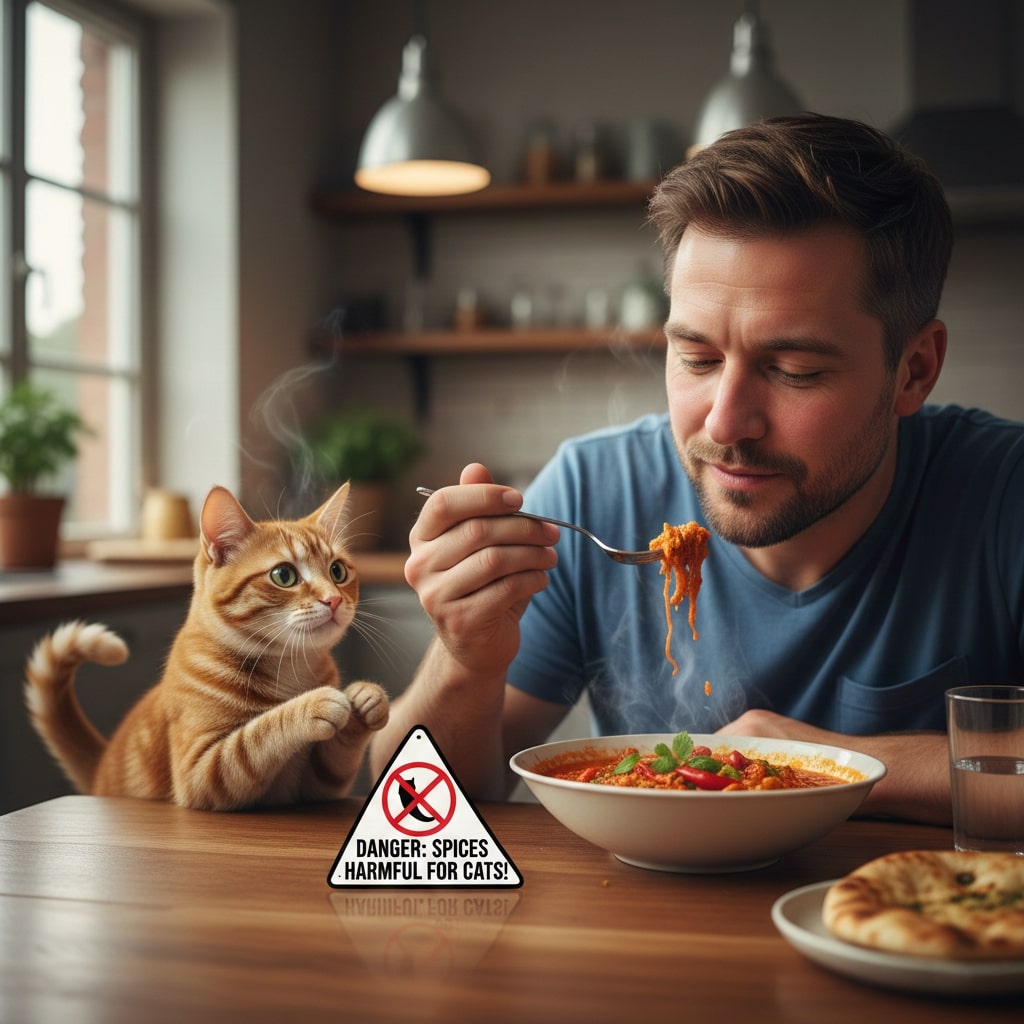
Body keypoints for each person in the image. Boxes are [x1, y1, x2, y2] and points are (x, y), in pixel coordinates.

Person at [369, 113, 1024, 824]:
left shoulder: (1006, 495)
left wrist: (828, 762)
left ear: (914, 371)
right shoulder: (593, 492)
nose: (722, 423)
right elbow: (409, 806)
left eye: (795, 369)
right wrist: (465, 661)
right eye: (697, 359)